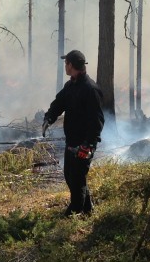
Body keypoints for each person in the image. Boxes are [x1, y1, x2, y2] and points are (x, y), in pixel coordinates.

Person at [42, 50, 105, 216]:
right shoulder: (71, 86)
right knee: (71, 176)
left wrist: (89, 144)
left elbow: (96, 120)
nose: (65, 67)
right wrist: (49, 118)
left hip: (84, 143)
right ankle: (88, 209)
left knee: (77, 178)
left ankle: (74, 213)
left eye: (66, 64)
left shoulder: (90, 89)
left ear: (71, 65)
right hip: (71, 141)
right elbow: (59, 103)